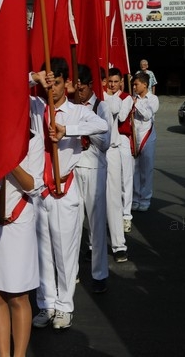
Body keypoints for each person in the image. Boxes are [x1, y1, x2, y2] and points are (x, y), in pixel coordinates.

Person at [30, 58, 108, 330]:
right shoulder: (35, 106)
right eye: (48, 84)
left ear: (67, 84)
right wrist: (35, 77)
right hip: (40, 190)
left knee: (65, 252)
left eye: (57, 83)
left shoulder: (76, 112)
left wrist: (68, 131)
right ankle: (46, 304)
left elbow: (102, 126)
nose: (52, 89)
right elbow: (9, 91)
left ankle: (65, 306)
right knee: (42, 253)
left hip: (65, 186)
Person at [0, 106, 44, 357]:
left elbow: (33, 186)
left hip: (19, 225)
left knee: (18, 295)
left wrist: (10, 159)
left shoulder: (34, 140)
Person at [74, 64, 111, 293]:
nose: (78, 93)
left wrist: (84, 126)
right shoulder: (73, 106)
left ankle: (99, 274)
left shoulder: (101, 107)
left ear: (89, 86)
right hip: (74, 166)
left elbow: (105, 142)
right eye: (75, 89)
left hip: (95, 167)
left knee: (96, 224)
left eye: (81, 89)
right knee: (73, 224)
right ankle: (72, 271)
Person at [105, 67, 135, 243]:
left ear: (121, 83)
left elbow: (122, 116)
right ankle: (112, 215)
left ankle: (126, 216)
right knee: (111, 181)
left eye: (116, 82)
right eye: (110, 82)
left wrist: (111, 97)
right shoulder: (105, 97)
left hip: (122, 139)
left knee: (126, 178)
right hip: (107, 140)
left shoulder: (126, 98)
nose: (113, 85)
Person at [131, 72, 159, 211]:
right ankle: (135, 198)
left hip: (147, 137)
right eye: (133, 84)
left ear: (145, 84)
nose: (134, 87)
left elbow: (148, 115)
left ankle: (145, 199)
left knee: (146, 170)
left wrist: (136, 105)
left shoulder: (153, 99)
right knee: (134, 170)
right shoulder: (132, 98)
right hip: (134, 137)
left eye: (136, 84)